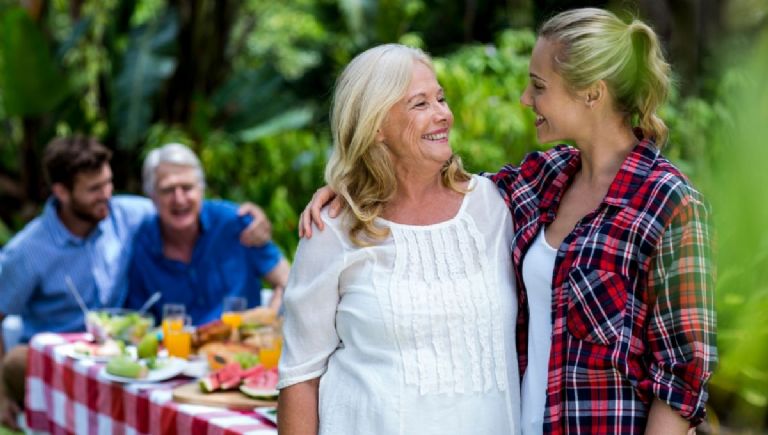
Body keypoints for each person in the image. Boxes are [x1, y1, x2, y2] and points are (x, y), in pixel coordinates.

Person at [300, 8, 716, 435]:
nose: (525, 99)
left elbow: (682, 379)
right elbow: (432, 191)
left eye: (539, 86)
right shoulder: (543, 181)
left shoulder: (670, 203)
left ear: (592, 93)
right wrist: (350, 186)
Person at [277, 44, 521, 434]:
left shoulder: (494, 206)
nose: (443, 114)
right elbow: (300, 376)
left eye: (441, 98)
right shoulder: (333, 228)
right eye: (420, 104)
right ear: (375, 126)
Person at [0, 136, 272, 430]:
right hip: (57, 362)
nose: (106, 195)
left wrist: (251, 217)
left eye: (108, 183)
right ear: (62, 192)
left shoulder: (125, 214)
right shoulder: (28, 251)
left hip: (118, 360)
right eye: (94, 189)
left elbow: (183, 206)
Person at [124, 143, 290, 326]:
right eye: (168, 190)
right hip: (178, 344)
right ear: (152, 196)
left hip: (243, 342)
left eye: (187, 187)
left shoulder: (236, 223)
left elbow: (288, 282)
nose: (179, 199)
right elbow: (138, 321)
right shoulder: (142, 246)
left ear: (201, 189)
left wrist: (269, 323)